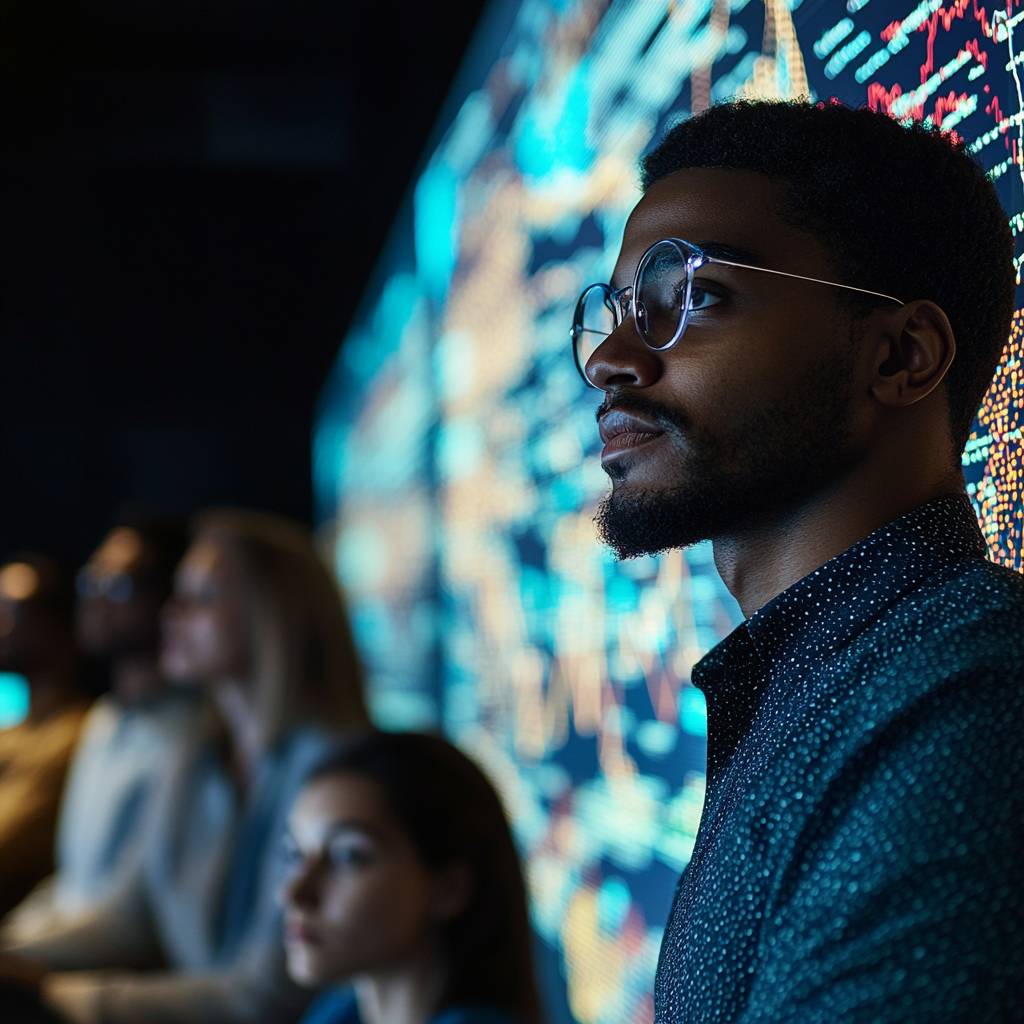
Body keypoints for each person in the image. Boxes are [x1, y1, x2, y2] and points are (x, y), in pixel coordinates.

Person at [571, 100, 1023, 1021]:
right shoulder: (826, 684)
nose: (611, 359)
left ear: (900, 357)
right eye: (614, 311)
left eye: (691, 296)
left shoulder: (966, 695)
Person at [7, 508, 370, 1023]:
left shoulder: (333, 771)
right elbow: (130, 916)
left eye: (201, 597)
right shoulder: (197, 754)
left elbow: (264, 999)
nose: (171, 613)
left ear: (272, 613)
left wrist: (57, 998)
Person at [2, 516, 198, 940]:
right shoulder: (105, 719)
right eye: (91, 581)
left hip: (107, 967)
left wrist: (17, 959)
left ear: (168, 599)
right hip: (61, 948)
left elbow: (135, 916)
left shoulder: (191, 735)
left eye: (119, 584)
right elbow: (72, 884)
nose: (94, 599)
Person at [281, 731, 543, 1024]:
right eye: (294, 855)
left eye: (349, 857)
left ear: (449, 889)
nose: (294, 893)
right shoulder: (337, 1014)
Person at [0, 554, 90, 918]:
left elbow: (7, 849)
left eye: (14, 611)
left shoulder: (76, 734)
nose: (1, 625)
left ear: (59, 626)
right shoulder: (15, 732)